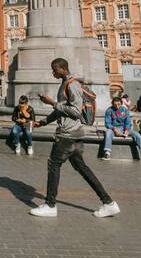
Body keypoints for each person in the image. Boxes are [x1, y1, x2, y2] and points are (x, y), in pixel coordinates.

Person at [29, 58, 119, 219]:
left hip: (68, 134)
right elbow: (61, 111)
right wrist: (42, 122)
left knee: (54, 165)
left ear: (63, 68)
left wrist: (52, 103)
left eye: (55, 69)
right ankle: (108, 203)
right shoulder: (65, 84)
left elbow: (76, 111)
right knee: (82, 168)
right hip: (73, 134)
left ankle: (50, 205)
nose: (53, 72)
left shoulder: (72, 84)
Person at [100, 97, 141, 162]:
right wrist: (115, 130)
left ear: (121, 104)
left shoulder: (124, 110)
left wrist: (127, 130)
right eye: (115, 104)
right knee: (108, 133)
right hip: (114, 128)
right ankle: (107, 153)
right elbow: (108, 123)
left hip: (124, 128)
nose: (117, 106)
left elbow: (127, 122)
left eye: (118, 104)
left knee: (137, 134)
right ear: (112, 104)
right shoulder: (109, 110)